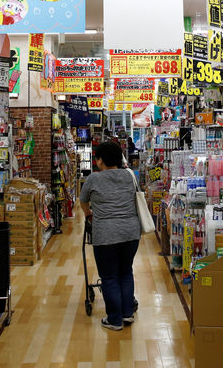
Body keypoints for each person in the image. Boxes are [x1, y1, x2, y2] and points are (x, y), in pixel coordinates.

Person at [80, 141, 141, 331]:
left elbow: (83, 201)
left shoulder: (93, 179)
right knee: (126, 272)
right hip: (131, 233)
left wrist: (89, 213)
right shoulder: (130, 176)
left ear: (100, 160)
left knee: (109, 276)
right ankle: (127, 313)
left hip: (105, 234)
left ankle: (114, 319)